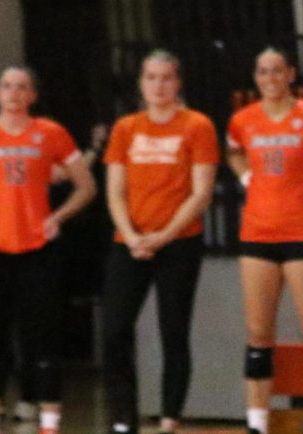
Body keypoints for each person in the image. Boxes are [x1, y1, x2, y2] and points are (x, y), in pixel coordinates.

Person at [0, 66, 97, 434]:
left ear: (33, 96)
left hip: (37, 248)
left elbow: (85, 186)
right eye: (6, 86)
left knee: (41, 338)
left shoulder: (50, 133)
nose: (13, 93)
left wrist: (59, 216)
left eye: (22, 87)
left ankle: (49, 421)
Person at [225, 48, 303, 434]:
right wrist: (246, 178)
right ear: (256, 77)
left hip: (302, 231)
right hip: (257, 233)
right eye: (262, 71)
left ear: (290, 73)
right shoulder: (243, 120)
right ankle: (257, 422)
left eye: (277, 70)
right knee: (259, 332)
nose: (270, 77)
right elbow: (232, 151)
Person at [101, 50, 219, 434]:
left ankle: (170, 417)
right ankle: (123, 418)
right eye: (151, 77)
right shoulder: (125, 128)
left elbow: (200, 193)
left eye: (166, 77)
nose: (159, 85)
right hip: (130, 241)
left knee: (174, 329)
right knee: (116, 328)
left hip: (179, 241)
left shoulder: (197, 126)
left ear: (178, 82)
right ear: (140, 83)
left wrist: (164, 235)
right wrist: (134, 236)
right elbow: (115, 191)